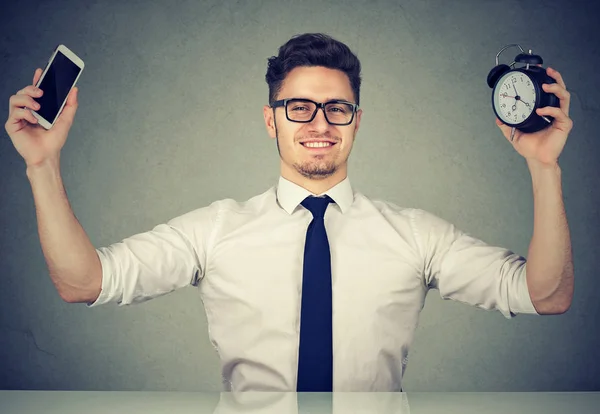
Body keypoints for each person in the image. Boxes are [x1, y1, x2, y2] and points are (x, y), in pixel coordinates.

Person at [5, 33, 574, 392]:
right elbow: (84, 282)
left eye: (337, 108)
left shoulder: (416, 235)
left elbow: (546, 295)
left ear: (357, 119)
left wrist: (543, 166)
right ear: (271, 119)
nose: (319, 124)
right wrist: (42, 165)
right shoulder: (214, 231)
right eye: (299, 107)